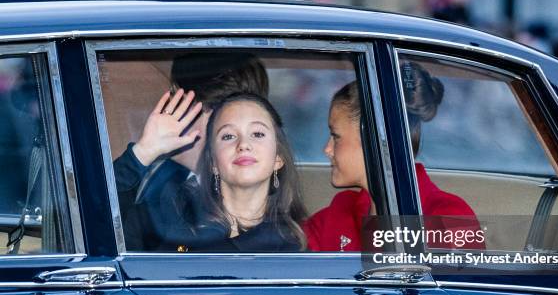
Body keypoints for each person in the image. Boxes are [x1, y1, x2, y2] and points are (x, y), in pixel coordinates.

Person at [304, 63, 484, 251]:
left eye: (336, 136)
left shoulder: (448, 218)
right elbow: (289, 247)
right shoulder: (340, 210)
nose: (327, 149)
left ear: (373, 139)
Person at [113, 52, 269, 251]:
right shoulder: (164, 178)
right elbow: (98, 228)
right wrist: (142, 153)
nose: (165, 108)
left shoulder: (245, 200)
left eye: (174, 95)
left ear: (214, 114)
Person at [116, 90, 306, 252]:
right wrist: (142, 152)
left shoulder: (292, 247)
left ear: (278, 158)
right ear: (213, 161)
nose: (244, 145)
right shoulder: (170, 212)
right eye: (228, 136)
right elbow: (99, 228)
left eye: (257, 134)